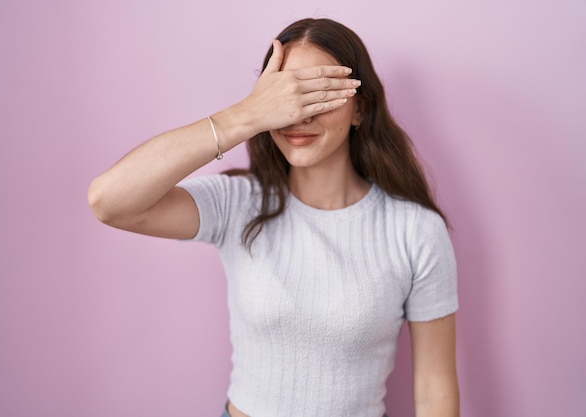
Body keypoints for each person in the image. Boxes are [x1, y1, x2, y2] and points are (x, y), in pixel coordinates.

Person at [88, 18, 459, 417]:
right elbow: (109, 201)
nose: (299, 116)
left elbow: (434, 388)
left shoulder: (415, 232)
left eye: (318, 94)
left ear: (359, 108)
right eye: (286, 97)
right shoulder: (238, 204)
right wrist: (246, 115)